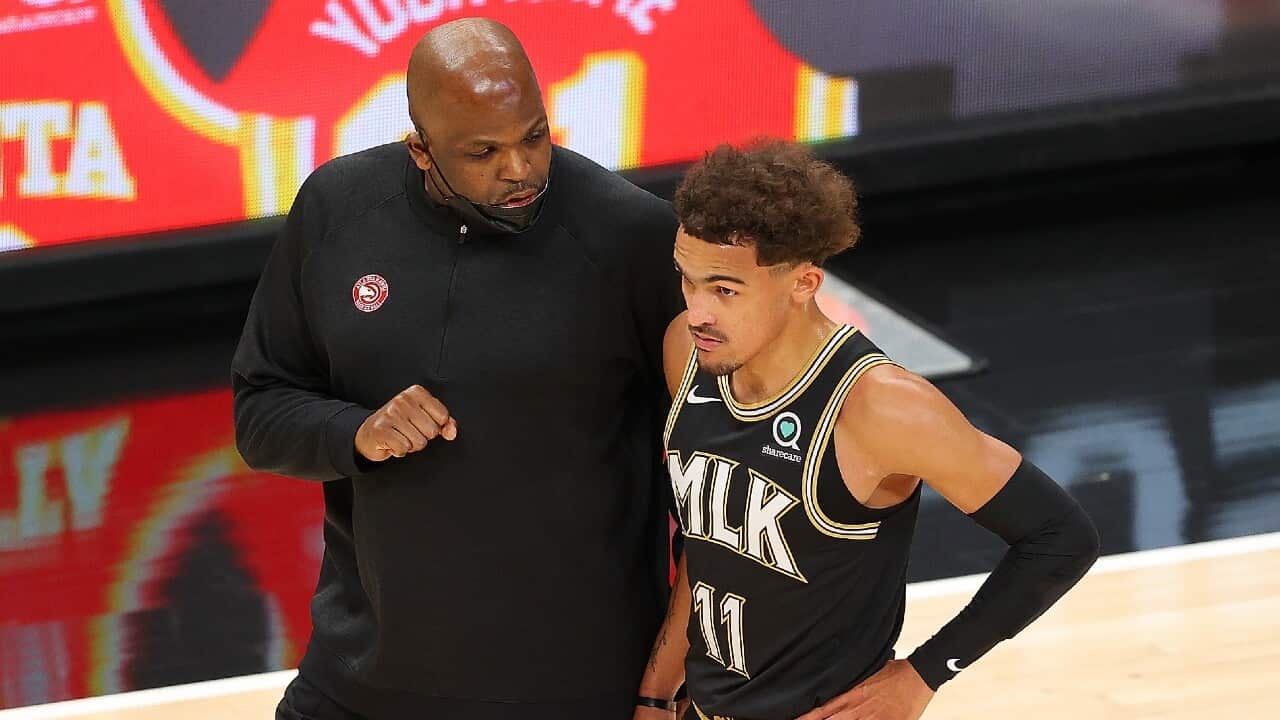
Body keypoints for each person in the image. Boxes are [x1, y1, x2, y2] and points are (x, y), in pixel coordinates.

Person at [231, 18, 682, 720]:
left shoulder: (630, 236)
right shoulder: (336, 210)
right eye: (483, 152)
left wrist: (668, 683)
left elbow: (713, 479)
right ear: (420, 149)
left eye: (535, 136)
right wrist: (357, 433)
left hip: (576, 687)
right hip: (363, 679)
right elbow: (262, 409)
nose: (521, 169)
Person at [634, 141, 1100, 720]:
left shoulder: (880, 406)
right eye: (688, 280)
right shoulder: (688, 351)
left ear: (804, 284)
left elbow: (1060, 537)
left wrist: (926, 673)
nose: (698, 309)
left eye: (725, 290)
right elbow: (710, 550)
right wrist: (656, 692)